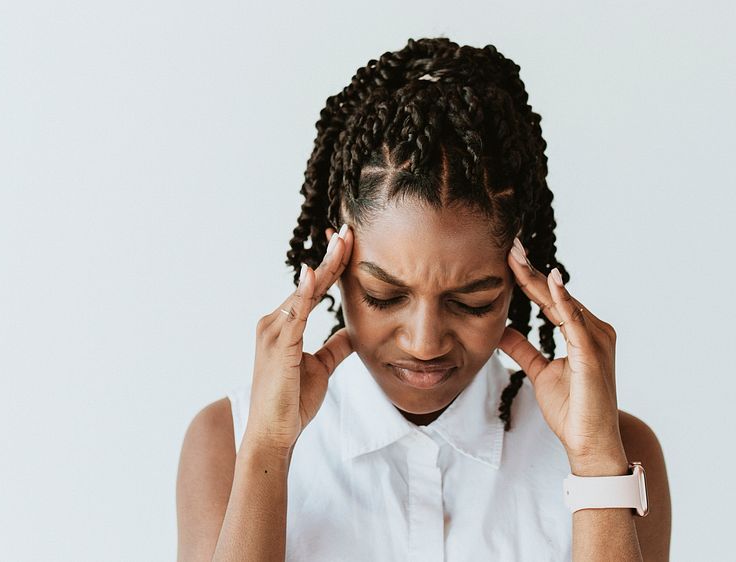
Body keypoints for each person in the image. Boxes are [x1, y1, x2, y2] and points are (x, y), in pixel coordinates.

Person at [176, 37, 671, 561]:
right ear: (333, 267)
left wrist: (595, 463)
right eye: (384, 295)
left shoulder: (620, 453)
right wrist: (267, 451)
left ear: (520, 275)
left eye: (472, 301)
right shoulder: (226, 443)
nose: (424, 341)